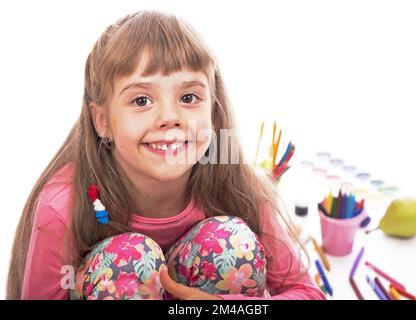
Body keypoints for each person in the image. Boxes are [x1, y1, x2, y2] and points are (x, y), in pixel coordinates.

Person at [7, 10, 325, 300]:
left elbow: (307, 294)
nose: (169, 117)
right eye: (142, 100)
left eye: (188, 96)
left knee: (230, 243)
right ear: (102, 120)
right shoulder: (64, 205)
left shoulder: (238, 186)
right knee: (130, 262)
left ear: (213, 112)